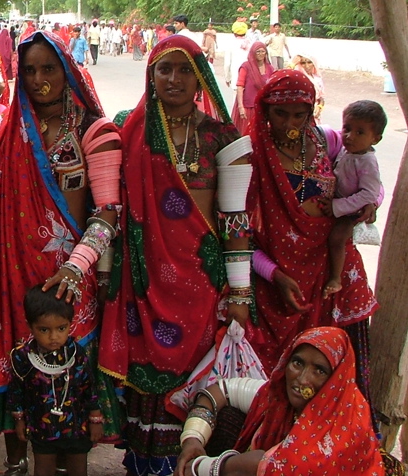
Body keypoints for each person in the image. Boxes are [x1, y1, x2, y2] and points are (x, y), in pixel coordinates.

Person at [0, 31, 123, 475]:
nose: (38, 79)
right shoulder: (3, 132)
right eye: (28, 70)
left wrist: (75, 267)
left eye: (48, 68)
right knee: (18, 364)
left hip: (67, 276)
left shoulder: (94, 131)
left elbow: (108, 213)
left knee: (67, 375)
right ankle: (16, 463)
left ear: (67, 70)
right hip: (7, 272)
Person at [99, 35, 253, 475]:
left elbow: (235, 220)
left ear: (201, 76)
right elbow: (108, 202)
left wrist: (240, 293)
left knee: (192, 376)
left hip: (200, 283)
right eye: (164, 69)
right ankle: (143, 463)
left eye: (185, 69)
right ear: (151, 75)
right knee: (145, 374)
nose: (174, 79)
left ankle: (188, 463)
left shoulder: (223, 137)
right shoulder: (129, 128)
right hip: (142, 279)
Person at [245, 69, 377, 410]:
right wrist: (274, 274)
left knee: (331, 375)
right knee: (278, 383)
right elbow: (238, 234)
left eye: (299, 114)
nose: (290, 123)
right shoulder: (251, 155)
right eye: (280, 113)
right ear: (265, 110)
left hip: (330, 274)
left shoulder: (327, 140)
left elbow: (365, 176)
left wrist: (371, 203)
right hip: (279, 283)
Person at [175, 327, 399, 476]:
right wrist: (193, 439)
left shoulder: (344, 424)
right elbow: (220, 390)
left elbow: (259, 465)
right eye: (297, 363)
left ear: (336, 379)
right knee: (227, 419)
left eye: (319, 370)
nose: (302, 379)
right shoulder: (278, 398)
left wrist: (197, 468)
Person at [8, 285, 104, 476]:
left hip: (76, 426)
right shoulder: (23, 357)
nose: (54, 337)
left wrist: (95, 420)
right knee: (43, 470)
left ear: (70, 324)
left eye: (61, 328)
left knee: (78, 470)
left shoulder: (76, 354)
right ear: (30, 326)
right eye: (44, 330)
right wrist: (19, 420)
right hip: (42, 427)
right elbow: (16, 391)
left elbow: (89, 387)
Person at [320, 100, 385, 298]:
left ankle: (335, 279)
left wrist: (338, 206)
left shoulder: (367, 162)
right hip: (339, 201)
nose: (349, 136)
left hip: (350, 210)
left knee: (337, 239)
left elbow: (369, 193)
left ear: (375, 139)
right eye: (346, 129)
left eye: (360, 132)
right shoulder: (346, 150)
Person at [232, 41, 274, 135]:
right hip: (248, 107)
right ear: (253, 53)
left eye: (263, 51)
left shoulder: (270, 68)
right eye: (258, 51)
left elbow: (272, 88)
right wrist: (241, 107)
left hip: (263, 107)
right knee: (247, 135)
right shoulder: (246, 67)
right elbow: (240, 86)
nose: (260, 54)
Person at [293, 53, 325, 122]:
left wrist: (319, 107)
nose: (307, 66)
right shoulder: (298, 79)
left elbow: (321, 98)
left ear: (314, 63)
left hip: (316, 113)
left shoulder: (317, 78)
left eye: (309, 62)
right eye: (303, 63)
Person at [224, 21, 250, 92]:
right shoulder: (250, 43)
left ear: (234, 33)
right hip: (249, 79)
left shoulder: (230, 43)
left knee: (236, 97)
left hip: (236, 79)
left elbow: (227, 64)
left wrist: (227, 78)